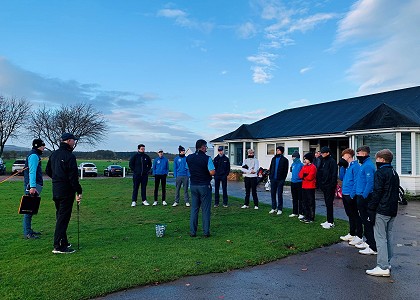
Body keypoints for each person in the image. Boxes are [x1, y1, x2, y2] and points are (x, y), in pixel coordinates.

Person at [45, 133, 82, 254]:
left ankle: (63, 241)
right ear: (68, 141)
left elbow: (48, 171)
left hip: (56, 189)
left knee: (60, 216)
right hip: (66, 190)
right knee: (63, 218)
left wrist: (57, 179)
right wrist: (79, 190)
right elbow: (72, 177)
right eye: (73, 141)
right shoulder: (69, 156)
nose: (74, 142)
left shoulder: (54, 154)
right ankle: (58, 246)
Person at [366, 149, 400, 277]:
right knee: (388, 236)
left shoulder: (380, 173)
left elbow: (377, 192)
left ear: (383, 159)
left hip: (382, 209)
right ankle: (387, 262)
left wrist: (371, 208)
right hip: (392, 209)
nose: (376, 161)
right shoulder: (394, 172)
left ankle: (382, 266)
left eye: (378, 159)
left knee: (380, 237)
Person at [187, 139, 215, 237]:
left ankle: (192, 231)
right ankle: (206, 232)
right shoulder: (207, 158)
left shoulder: (189, 158)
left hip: (193, 185)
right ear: (203, 147)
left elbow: (188, 168)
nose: (206, 149)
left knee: (194, 209)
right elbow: (212, 172)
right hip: (204, 185)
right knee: (205, 209)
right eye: (206, 147)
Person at [354, 145, 377, 255]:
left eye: (358, 154)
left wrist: (364, 195)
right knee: (364, 220)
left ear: (364, 153)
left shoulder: (368, 165)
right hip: (360, 195)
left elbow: (370, 182)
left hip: (365, 197)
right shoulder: (363, 165)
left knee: (367, 221)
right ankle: (368, 242)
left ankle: (372, 245)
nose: (357, 156)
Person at [22, 138, 46, 239]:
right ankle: (27, 232)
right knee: (28, 210)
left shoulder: (35, 155)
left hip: (34, 185)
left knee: (31, 209)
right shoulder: (34, 156)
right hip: (32, 187)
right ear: (38, 146)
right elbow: (32, 172)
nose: (44, 147)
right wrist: (32, 186)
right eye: (43, 145)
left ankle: (29, 230)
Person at [338, 148, 363, 244]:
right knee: (349, 214)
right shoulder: (347, 167)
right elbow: (341, 178)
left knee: (355, 214)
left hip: (350, 194)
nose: (342, 158)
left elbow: (357, 181)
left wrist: (352, 194)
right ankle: (352, 232)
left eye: (343, 156)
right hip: (345, 193)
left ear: (348, 155)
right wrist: (342, 167)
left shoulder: (355, 166)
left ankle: (359, 234)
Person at [318, 146, 338, 229]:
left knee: (329, 203)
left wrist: (332, 184)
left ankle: (331, 222)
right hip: (324, 185)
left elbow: (334, 174)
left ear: (328, 153)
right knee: (327, 203)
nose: (322, 154)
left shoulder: (332, 161)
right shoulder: (323, 161)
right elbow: (321, 172)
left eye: (323, 153)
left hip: (330, 185)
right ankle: (328, 220)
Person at [268, 146, 289, 215]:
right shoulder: (273, 159)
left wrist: (283, 179)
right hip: (273, 179)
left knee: (279, 194)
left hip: (280, 180)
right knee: (272, 194)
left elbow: (286, 170)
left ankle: (280, 209)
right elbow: (271, 168)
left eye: (279, 150)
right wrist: (270, 177)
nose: (277, 151)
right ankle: (273, 208)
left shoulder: (285, 160)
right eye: (277, 150)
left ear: (282, 151)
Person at [298, 152, 317, 223]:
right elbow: (300, 175)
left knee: (310, 202)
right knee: (304, 202)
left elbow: (310, 177)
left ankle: (311, 217)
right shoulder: (304, 167)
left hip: (310, 187)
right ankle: (306, 215)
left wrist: (304, 176)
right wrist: (305, 176)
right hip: (304, 186)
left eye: (306, 159)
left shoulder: (313, 167)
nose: (304, 160)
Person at [289, 151, 303, 218]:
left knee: (300, 198)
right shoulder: (292, 164)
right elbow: (291, 170)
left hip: (299, 182)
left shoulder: (301, 165)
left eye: (294, 157)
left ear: (297, 157)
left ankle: (301, 212)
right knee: (294, 198)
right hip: (293, 182)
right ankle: (294, 212)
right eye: (292, 157)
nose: (293, 158)